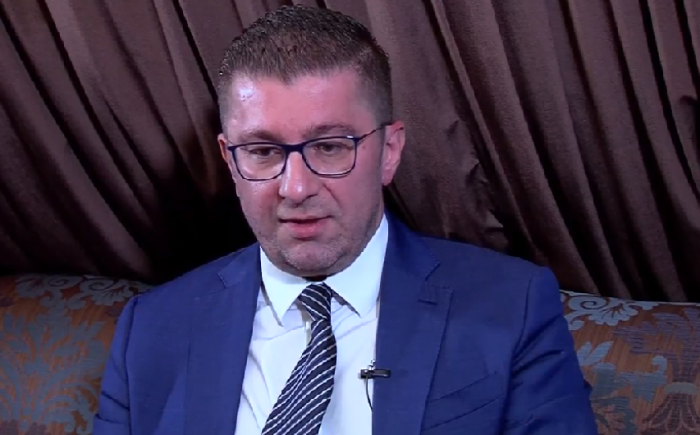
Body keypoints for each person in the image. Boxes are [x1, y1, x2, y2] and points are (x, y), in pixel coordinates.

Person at [93, 5, 597, 435]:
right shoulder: (151, 329)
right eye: (263, 152)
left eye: (330, 147)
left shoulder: (512, 306)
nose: (296, 188)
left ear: (389, 151)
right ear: (229, 160)